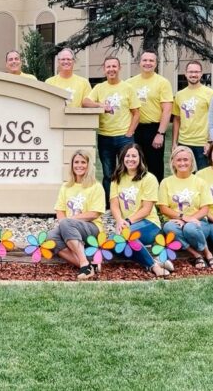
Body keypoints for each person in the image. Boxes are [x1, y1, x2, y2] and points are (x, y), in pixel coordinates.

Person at [83, 57, 139, 206]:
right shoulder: (100, 88)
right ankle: (109, 204)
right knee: (108, 173)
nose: (111, 69)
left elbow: (136, 113)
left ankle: (126, 201)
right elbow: (85, 102)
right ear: (104, 69)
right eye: (108, 67)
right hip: (105, 136)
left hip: (124, 138)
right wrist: (100, 105)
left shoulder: (128, 88)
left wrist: (129, 133)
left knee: (127, 171)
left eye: (114, 66)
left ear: (119, 68)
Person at [109, 143, 170, 276]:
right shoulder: (116, 179)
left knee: (124, 237)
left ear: (140, 158)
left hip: (149, 224)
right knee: (111, 242)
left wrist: (127, 222)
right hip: (126, 225)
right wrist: (119, 221)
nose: (130, 159)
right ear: (122, 158)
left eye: (134, 156)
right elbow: (114, 205)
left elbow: (146, 209)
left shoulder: (149, 178)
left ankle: (154, 267)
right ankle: (154, 260)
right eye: (127, 156)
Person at [47, 149, 106, 280]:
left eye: (83, 162)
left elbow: (94, 213)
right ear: (72, 165)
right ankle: (88, 266)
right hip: (70, 227)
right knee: (50, 237)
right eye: (76, 162)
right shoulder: (66, 186)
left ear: (88, 165)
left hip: (92, 229)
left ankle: (84, 264)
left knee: (67, 223)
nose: (79, 165)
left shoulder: (96, 186)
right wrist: (65, 223)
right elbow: (60, 210)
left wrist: (68, 221)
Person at [158, 146, 213, 268]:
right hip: (175, 223)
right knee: (169, 227)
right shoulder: (166, 182)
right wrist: (183, 218)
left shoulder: (200, 182)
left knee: (190, 228)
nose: (182, 163)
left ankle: (207, 253)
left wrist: (188, 220)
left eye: (186, 160)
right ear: (173, 162)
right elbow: (163, 208)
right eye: (178, 160)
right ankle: (197, 255)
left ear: (191, 162)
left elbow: (205, 209)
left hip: (199, 223)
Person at [126, 50, 173, 181]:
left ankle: (155, 198)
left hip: (154, 130)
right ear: (139, 63)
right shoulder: (129, 83)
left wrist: (160, 133)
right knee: (134, 163)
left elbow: (167, 110)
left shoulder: (163, 82)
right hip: (135, 129)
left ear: (156, 64)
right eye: (145, 60)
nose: (148, 63)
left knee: (154, 166)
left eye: (151, 60)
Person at [171, 60, 213, 170]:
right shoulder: (179, 95)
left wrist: (210, 141)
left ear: (201, 74)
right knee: (184, 176)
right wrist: (174, 143)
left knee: (203, 177)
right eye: (190, 72)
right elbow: (177, 119)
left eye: (196, 72)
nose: (193, 75)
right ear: (185, 73)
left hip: (202, 144)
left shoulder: (210, 94)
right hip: (183, 142)